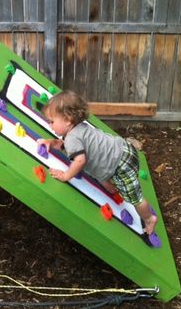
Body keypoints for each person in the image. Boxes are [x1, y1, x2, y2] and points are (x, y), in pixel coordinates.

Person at [37, 90, 158, 235]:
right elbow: (66, 146)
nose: (50, 125)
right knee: (99, 171)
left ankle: (150, 218)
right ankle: (110, 185)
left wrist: (65, 175)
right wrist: (51, 142)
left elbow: (80, 160)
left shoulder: (72, 139)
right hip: (123, 148)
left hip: (121, 164)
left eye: (52, 121)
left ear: (67, 119)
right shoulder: (80, 127)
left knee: (136, 199)